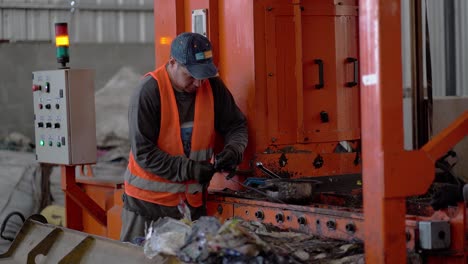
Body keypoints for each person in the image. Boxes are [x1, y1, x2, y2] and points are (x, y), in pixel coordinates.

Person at [120, 32, 248, 243]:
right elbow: (144, 153)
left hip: (190, 207)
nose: (199, 84)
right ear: (173, 63)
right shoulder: (148, 92)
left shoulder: (213, 88)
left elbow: (236, 125)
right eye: (191, 75)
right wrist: (190, 169)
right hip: (146, 207)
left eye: (203, 75)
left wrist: (234, 149)